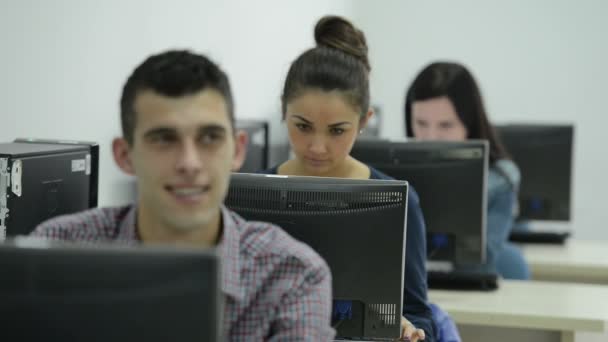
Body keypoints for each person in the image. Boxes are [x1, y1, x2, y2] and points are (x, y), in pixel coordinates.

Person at [31, 50, 335, 340]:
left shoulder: (293, 275)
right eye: (164, 139)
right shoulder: (53, 249)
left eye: (209, 138)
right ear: (125, 156)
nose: (189, 163)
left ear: (238, 150)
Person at [262, 15, 437, 342]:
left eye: (337, 131)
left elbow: (419, 313)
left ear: (364, 122)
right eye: (302, 126)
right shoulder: (250, 197)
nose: (317, 146)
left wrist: (410, 331)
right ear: (283, 111)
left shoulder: (397, 202)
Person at [404, 61, 530, 280]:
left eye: (446, 126)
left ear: (468, 124)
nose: (431, 137)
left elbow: (479, 262)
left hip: (463, 294)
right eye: (421, 123)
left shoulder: (501, 179)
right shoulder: (391, 173)